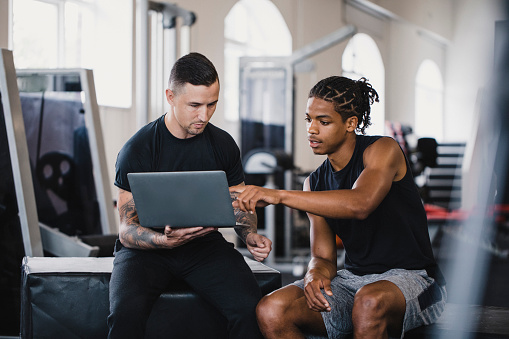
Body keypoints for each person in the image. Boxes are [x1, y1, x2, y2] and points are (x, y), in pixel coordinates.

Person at [231, 76, 446, 339]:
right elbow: (323, 257)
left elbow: (361, 203)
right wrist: (314, 275)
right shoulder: (315, 182)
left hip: (416, 279)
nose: (311, 129)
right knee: (272, 309)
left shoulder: (383, 149)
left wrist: (278, 196)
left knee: (369, 303)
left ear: (350, 123)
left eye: (323, 122)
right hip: (353, 281)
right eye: (308, 119)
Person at [107, 52, 272, 339]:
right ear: (171, 97)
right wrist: (162, 240)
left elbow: (238, 204)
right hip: (145, 252)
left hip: (203, 245)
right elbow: (126, 229)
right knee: (124, 315)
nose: (204, 115)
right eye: (194, 105)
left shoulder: (223, 144)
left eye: (212, 104)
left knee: (250, 309)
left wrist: (250, 235)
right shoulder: (139, 148)